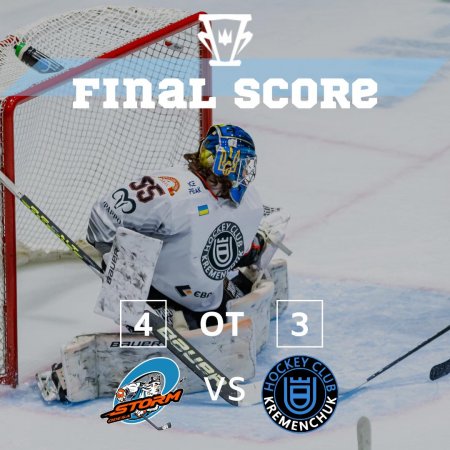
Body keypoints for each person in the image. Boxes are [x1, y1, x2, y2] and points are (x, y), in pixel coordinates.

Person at [86, 124, 266, 329]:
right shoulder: (170, 193)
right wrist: (119, 269)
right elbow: (102, 218)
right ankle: (143, 313)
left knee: (216, 327)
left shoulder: (250, 200)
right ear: (225, 163)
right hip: (158, 288)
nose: (246, 171)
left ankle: (221, 293)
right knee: (131, 245)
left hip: (203, 294)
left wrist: (254, 246)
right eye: (243, 163)